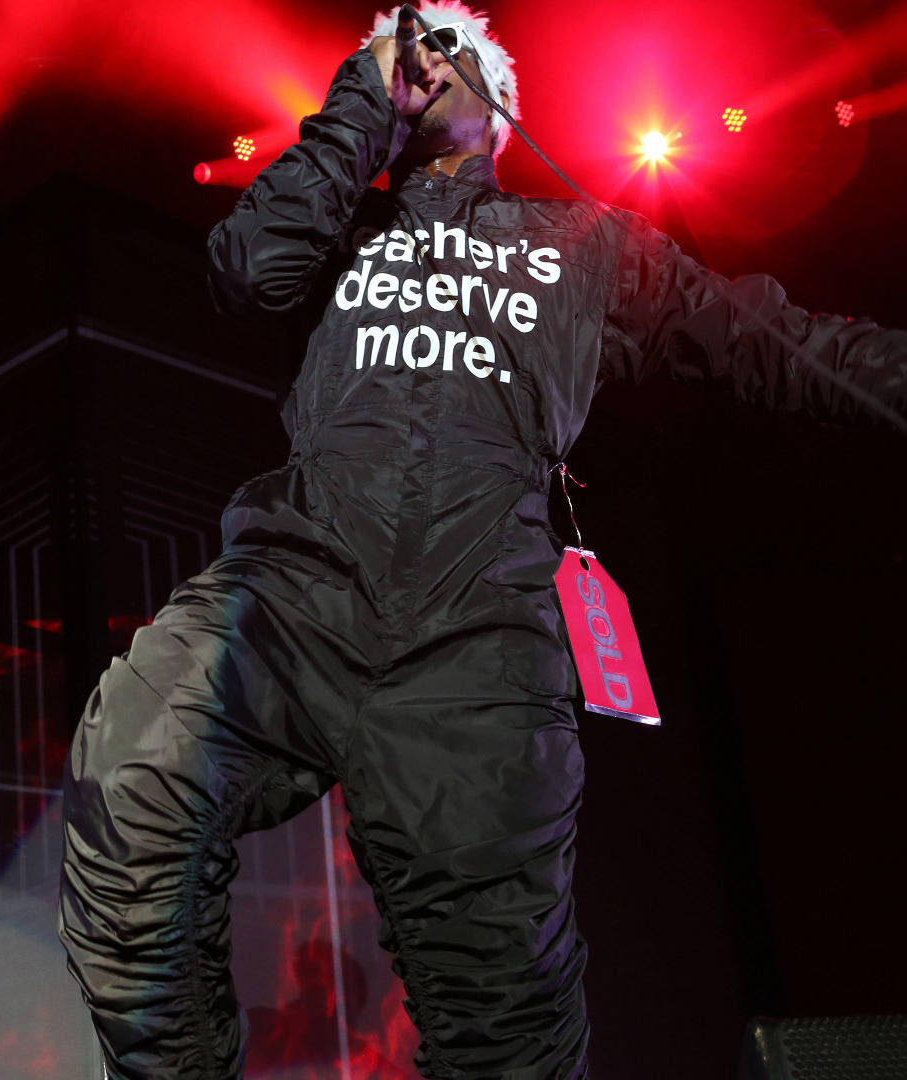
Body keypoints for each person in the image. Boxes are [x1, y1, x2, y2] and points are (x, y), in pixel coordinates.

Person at [56, 3, 905, 1077]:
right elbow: (244, 268)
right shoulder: (333, 230)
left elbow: (787, 346)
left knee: (506, 1030)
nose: (415, 57)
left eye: (441, 44)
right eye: (394, 49)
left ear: (498, 99)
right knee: (132, 781)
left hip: (479, 639)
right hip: (293, 595)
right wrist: (358, 104)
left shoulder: (591, 247)